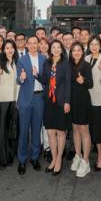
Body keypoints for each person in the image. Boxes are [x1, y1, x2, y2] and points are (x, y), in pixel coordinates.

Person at [40, 39, 71, 175]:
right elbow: (45, 80)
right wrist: (36, 74)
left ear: (61, 49)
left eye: (59, 47)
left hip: (61, 101)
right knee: (50, 132)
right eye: (54, 47)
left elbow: (69, 84)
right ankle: (53, 158)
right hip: (49, 101)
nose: (56, 49)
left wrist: (67, 101)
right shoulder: (46, 63)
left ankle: (59, 159)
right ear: (50, 49)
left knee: (60, 131)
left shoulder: (66, 63)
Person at [16, 35, 45, 174]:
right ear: (26, 45)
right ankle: (22, 160)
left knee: (36, 129)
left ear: (39, 45)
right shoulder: (22, 60)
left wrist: (37, 74)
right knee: (23, 130)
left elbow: (46, 79)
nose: (33, 45)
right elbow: (18, 80)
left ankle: (34, 157)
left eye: (35, 43)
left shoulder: (44, 59)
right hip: (26, 99)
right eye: (30, 43)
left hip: (39, 98)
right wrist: (21, 78)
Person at [84, 36, 101, 171]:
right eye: (92, 44)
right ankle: (98, 154)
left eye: (96, 44)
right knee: (93, 129)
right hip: (87, 100)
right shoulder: (86, 59)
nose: (94, 47)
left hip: (100, 100)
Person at [0, 40, 19, 168]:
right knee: (1, 130)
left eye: (11, 47)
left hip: (14, 99)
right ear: (3, 50)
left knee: (10, 129)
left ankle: (8, 156)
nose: (9, 50)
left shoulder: (16, 62)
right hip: (2, 100)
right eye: (7, 48)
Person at [69, 42, 93, 177]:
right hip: (72, 101)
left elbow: (91, 84)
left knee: (84, 130)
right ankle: (78, 156)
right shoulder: (69, 65)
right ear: (71, 53)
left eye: (79, 50)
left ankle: (86, 161)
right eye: (74, 50)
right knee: (75, 129)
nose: (76, 52)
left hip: (83, 101)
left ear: (82, 52)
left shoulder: (86, 65)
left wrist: (83, 81)